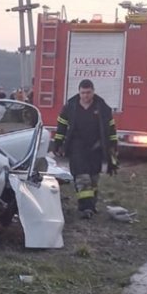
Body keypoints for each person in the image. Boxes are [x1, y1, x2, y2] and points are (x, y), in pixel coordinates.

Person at [50, 79, 119, 219]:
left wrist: (113, 146)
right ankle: (85, 208)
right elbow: (62, 125)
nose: (86, 96)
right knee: (82, 178)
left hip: (96, 147)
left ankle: (92, 205)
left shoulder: (102, 107)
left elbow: (110, 128)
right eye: (83, 93)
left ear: (93, 92)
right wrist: (57, 143)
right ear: (79, 92)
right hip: (77, 146)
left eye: (88, 93)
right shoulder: (71, 105)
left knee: (93, 178)